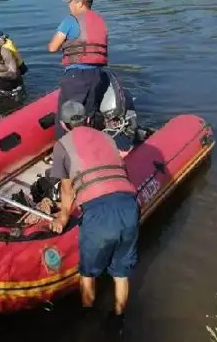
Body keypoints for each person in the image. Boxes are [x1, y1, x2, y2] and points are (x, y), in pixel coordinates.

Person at [47, 100, 139, 331]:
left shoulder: (62, 145)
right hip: (128, 205)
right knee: (121, 273)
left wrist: (63, 217)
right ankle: (118, 319)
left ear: (63, 124)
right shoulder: (107, 138)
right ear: (87, 119)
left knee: (88, 274)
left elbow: (67, 189)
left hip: (99, 212)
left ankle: (87, 321)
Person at [47, 0, 110, 139]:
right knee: (89, 114)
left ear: (80, 3)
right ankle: (89, 148)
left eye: (71, 2)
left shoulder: (71, 20)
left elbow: (52, 47)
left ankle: (65, 151)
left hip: (77, 76)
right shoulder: (100, 21)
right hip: (97, 76)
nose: (69, 6)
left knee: (67, 115)